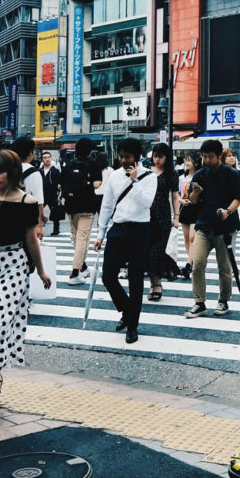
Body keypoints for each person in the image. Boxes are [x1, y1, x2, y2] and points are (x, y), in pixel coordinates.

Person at [0, 150, 50, 420]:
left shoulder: (28, 202)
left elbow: (31, 238)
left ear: (13, 173)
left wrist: (40, 270)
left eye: (0, 171)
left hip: (13, 262)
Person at [94, 138, 158, 344]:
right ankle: (127, 309)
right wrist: (100, 233)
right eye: (121, 157)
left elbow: (146, 203)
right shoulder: (113, 176)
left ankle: (132, 325)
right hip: (118, 228)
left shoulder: (150, 177)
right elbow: (106, 205)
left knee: (135, 278)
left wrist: (135, 180)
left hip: (140, 229)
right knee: (108, 276)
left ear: (137, 158)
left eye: (127, 157)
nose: (123, 160)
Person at [182, 139, 240, 319]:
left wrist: (228, 211)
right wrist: (195, 193)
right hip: (203, 225)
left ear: (219, 156)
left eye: (210, 157)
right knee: (197, 263)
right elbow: (192, 201)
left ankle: (223, 300)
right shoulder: (199, 175)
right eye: (204, 157)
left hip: (225, 227)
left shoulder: (231, 174)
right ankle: (199, 302)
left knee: (224, 267)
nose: (207, 160)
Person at [62, 138, 103, 285]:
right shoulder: (93, 164)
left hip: (71, 206)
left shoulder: (69, 164)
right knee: (82, 238)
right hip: (87, 206)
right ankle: (74, 273)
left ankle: (83, 268)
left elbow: (62, 185)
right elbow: (97, 185)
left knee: (76, 238)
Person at [146, 142, 180, 301]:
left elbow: (175, 196)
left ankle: (156, 284)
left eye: (160, 156)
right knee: (147, 252)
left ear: (167, 157)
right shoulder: (146, 171)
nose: (157, 159)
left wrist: (176, 216)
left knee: (157, 252)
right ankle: (153, 283)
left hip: (163, 216)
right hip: (145, 215)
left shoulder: (171, 174)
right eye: (155, 156)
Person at [12, 136, 45, 237]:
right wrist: (39, 225)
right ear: (30, 153)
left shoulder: (7, 168)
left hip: (6, 214)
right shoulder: (34, 173)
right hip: (27, 217)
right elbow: (38, 201)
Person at [178, 153, 201, 280]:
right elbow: (177, 194)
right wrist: (182, 201)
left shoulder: (199, 176)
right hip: (185, 208)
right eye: (186, 160)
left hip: (196, 208)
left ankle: (189, 263)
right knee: (186, 239)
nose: (187, 163)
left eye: (189, 160)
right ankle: (190, 263)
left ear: (195, 163)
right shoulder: (181, 178)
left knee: (193, 237)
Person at [39, 150, 62, 236]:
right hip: (42, 195)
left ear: (51, 159)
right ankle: (38, 228)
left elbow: (60, 183)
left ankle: (56, 229)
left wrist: (60, 194)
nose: (47, 159)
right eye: (45, 158)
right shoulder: (39, 171)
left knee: (55, 212)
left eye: (48, 157)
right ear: (42, 160)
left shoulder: (55, 171)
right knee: (37, 212)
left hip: (53, 194)